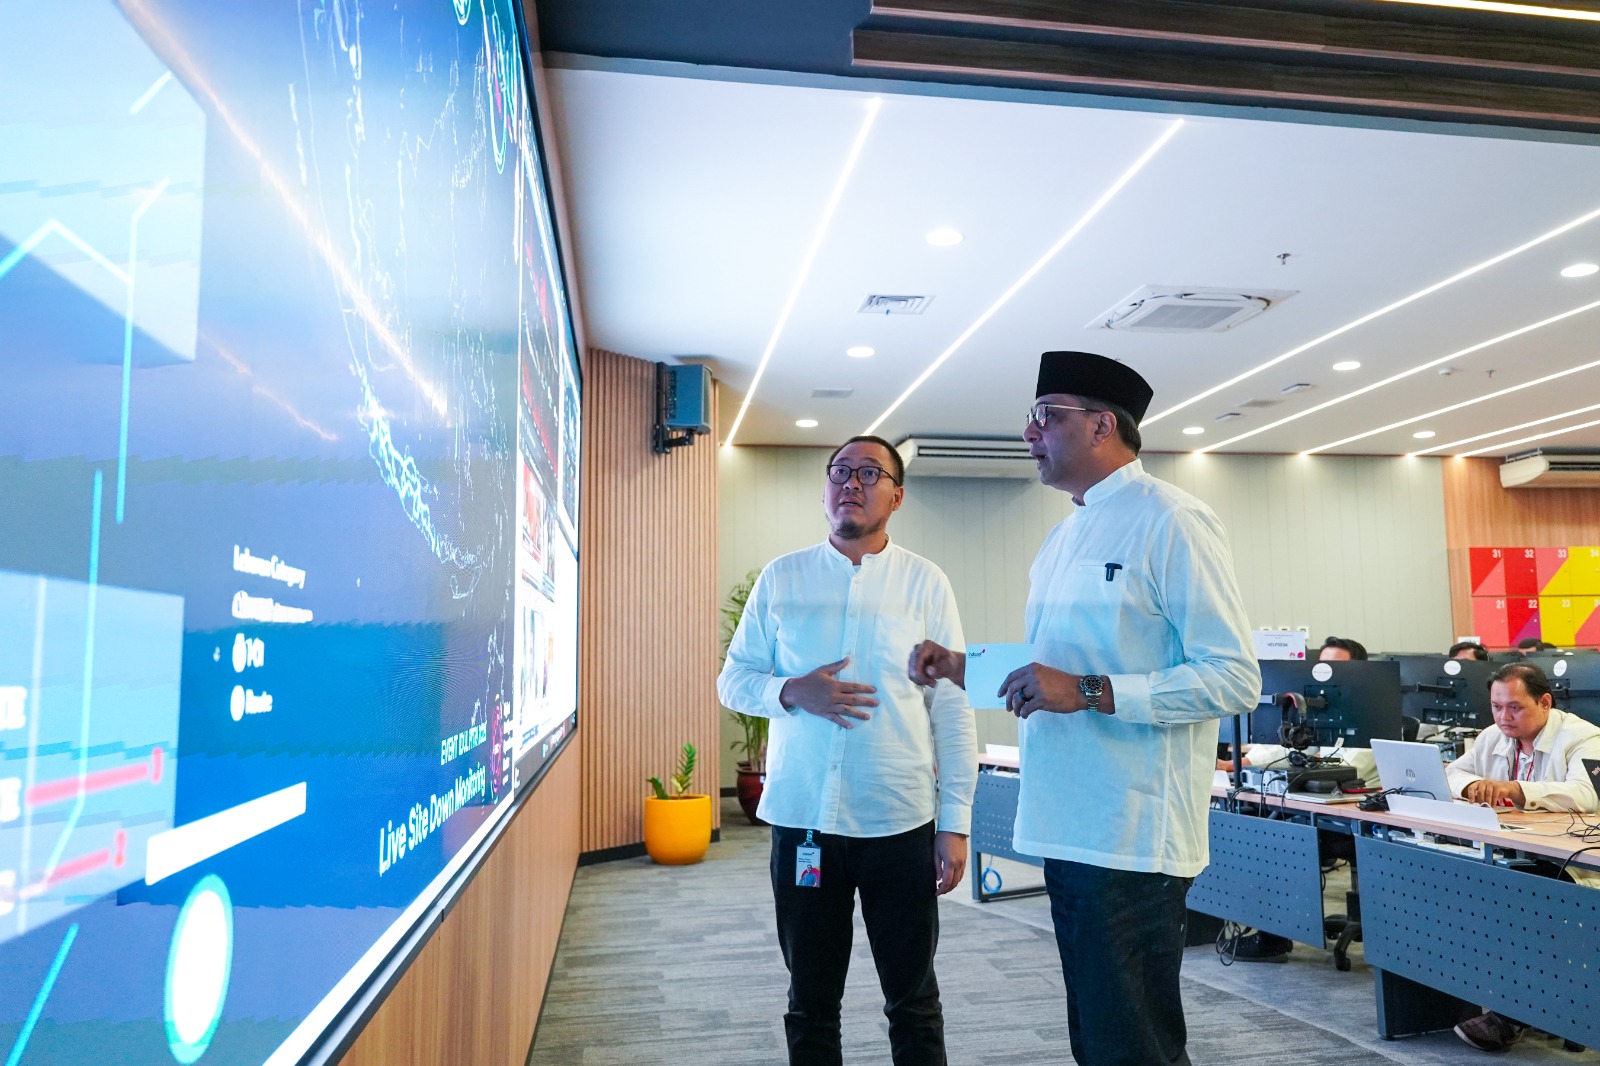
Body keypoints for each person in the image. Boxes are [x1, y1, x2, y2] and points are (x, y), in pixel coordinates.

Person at [908, 351, 1259, 1066]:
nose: (1029, 433)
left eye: (1046, 416)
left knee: (1131, 1044)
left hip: (1131, 831)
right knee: (1098, 1040)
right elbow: (1052, 670)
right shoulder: (1063, 536)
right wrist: (962, 668)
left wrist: (1095, 691)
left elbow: (1231, 677)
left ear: (1103, 425)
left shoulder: (1172, 519)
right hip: (1066, 822)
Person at [718, 434, 976, 1066]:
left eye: (868, 473)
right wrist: (791, 690)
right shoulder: (783, 578)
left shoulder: (925, 582)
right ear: (825, 489)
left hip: (898, 821)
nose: (850, 483)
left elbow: (950, 706)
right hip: (805, 820)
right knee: (810, 1001)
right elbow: (733, 680)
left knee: (913, 1000)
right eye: (839, 471)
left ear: (897, 496)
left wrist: (955, 824)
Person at [1442, 661, 1600, 1052]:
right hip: (1520, 851)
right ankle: (1487, 1001)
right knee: (1463, 878)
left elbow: (1587, 794)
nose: (1503, 717)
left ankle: (1513, 1015)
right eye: (1496, 707)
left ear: (1545, 702)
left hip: (1574, 862)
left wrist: (1516, 790)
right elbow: (1449, 773)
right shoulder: (1492, 736)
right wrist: (1473, 785)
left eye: (1514, 707)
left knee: (1522, 894)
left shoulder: (1583, 737)